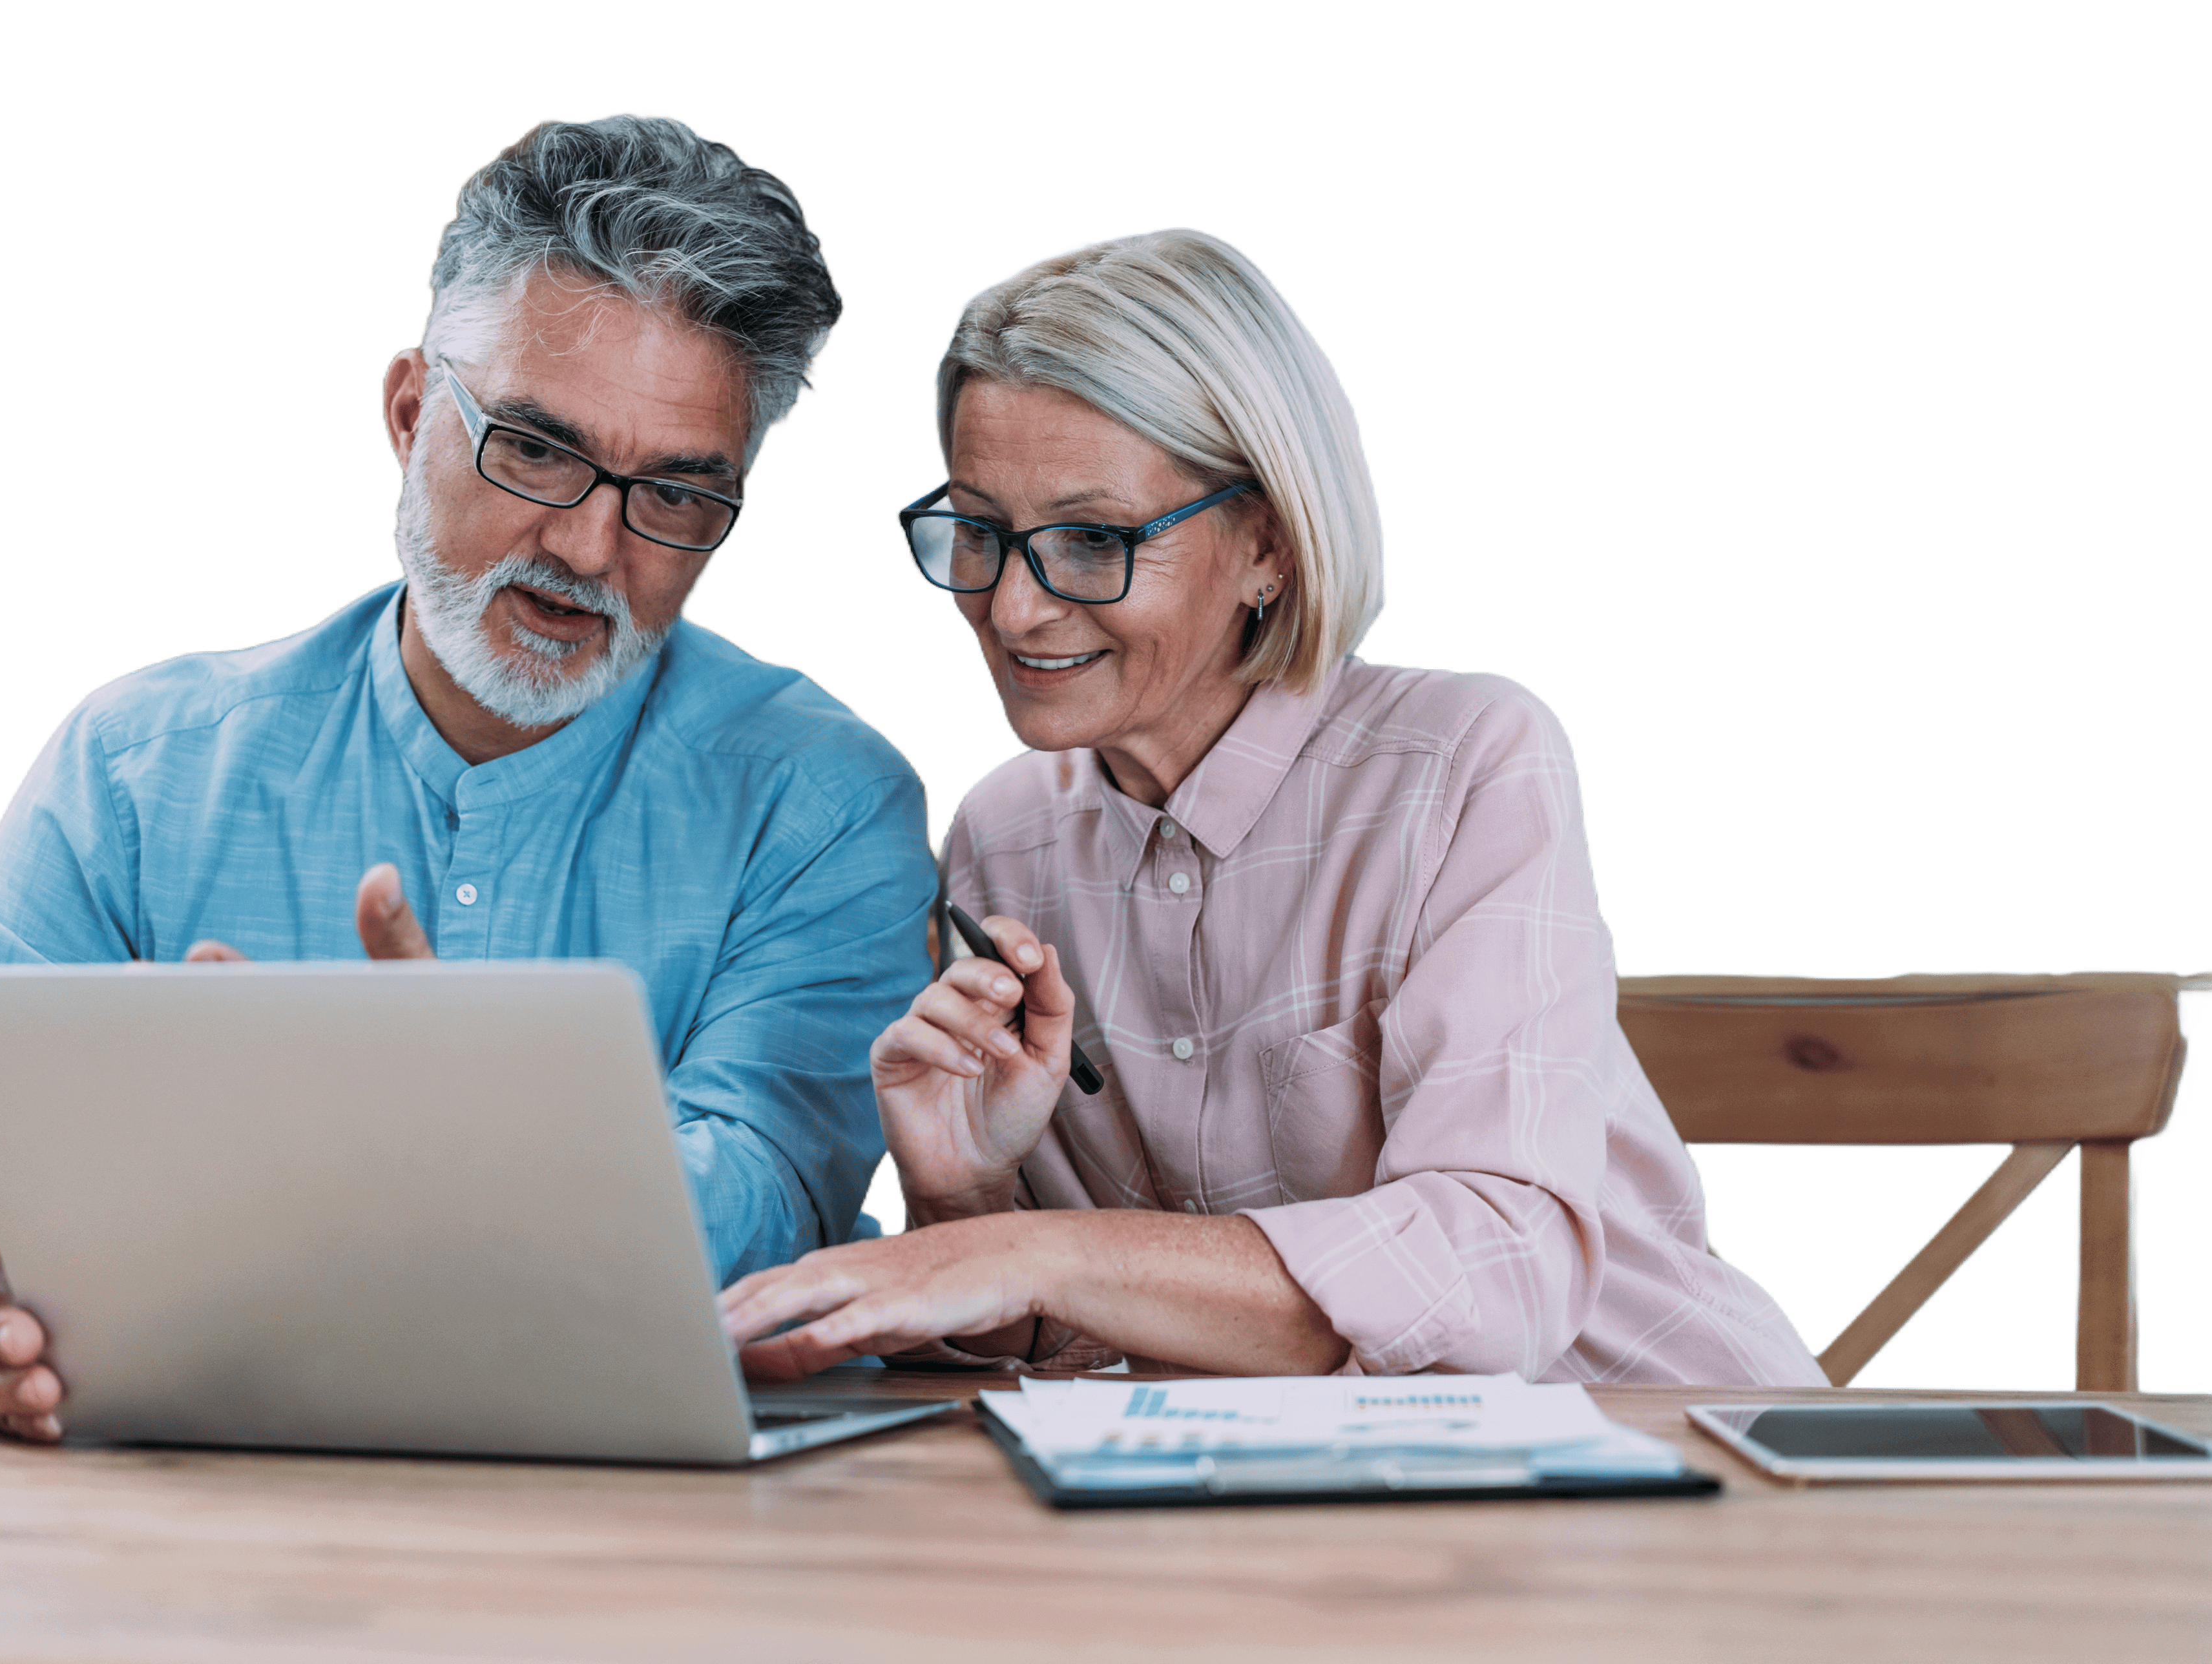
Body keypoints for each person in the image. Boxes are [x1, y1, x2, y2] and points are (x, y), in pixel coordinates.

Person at [0, 112, 936, 1439]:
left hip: (660, 1537)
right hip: (183, 1526)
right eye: (537, 447)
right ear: (409, 412)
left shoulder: (826, 802)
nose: (588, 544)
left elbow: (762, 1221)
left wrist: (453, 1126)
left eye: (677, 495)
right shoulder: (136, 770)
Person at [724, 228, 1827, 1386]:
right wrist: (962, 1193)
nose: (1012, 610)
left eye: (1093, 540)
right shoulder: (1006, 836)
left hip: (1661, 1463)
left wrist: (1037, 1247)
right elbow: (1067, 1326)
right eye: (982, 534)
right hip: (1298, 1517)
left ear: (1270, 547)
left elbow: (1498, 1272)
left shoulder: (1468, 760)